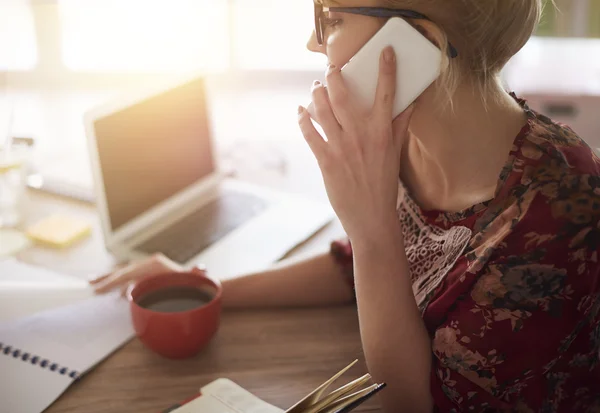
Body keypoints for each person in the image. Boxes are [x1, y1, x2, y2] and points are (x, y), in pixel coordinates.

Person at [90, 0, 600, 411]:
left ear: (416, 45)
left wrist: (370, 222)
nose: (313, 42)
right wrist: (206, 290)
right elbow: (355, 265)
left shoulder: (560, 210)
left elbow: (410, 402)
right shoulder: (401, 138)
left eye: (331, 17)